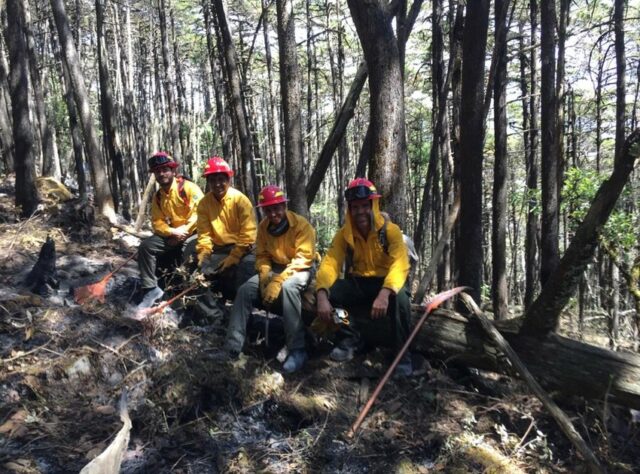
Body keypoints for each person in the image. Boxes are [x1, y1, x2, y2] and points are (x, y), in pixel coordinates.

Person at [315, 178, 413, 375]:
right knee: (333, 295)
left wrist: (385, 293)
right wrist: (321, 294)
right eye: (355, 207)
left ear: (373, 205)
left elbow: (401, 263)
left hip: (387, 283)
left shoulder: (390, 231)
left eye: (364, 206)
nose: (359, 211)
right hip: (359, 283)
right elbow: (331, 262)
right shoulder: (345, 234)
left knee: (402, 300)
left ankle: (402, 354)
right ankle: (350, 335)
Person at [225, 185, 316, 373]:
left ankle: (297, 349)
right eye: (268, 209)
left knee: (290, 288)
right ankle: (233, 346)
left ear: (284, 206)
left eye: (277, 208)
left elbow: (303, 259)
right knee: (245, 290)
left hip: (300, 268)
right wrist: (265, 273)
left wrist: (278, 281)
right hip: (274, 268)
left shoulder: (301, 225)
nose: (273, 213)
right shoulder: (264, 227)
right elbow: (263, 255)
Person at [137, 152, 204, 308]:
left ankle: (184, 297)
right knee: (146, 247)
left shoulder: (188, 188)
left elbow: (200, 213)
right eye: (158, 171)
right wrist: (172, 232)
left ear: (173, 171)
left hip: (195, 233)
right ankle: (151, 289)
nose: (162, 173)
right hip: (173, 233)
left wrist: (183, 231)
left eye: (165, 169)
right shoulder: (158, 197)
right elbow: (157, 223)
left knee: (186, 251)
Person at [195, 156, 257, 308]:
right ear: (208, 181)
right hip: (218, 249)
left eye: (221, 179)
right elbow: (204, 234)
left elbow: (248, 234)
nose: (217, 184)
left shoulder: (240, 200)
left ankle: (242, 313)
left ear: (228, 179)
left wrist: (235, 255)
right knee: (197, 277)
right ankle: (215, 314)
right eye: (213, 180)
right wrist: (204, 255)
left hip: (244, 249)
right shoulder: (204, 204)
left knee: (246, 270)